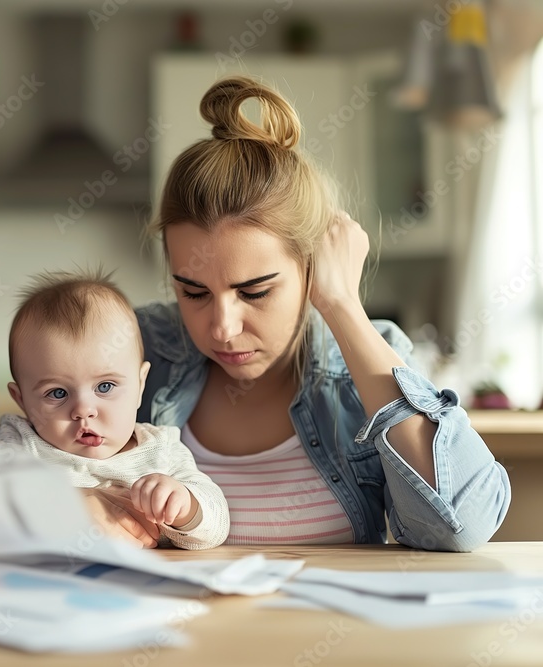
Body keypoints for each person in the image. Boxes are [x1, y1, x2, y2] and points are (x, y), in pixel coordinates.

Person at [132, 75, 511, 551]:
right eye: (193, 293)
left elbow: (464, 525)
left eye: (254, 292)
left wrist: (342, 305)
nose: (223, 328)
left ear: (312, 267)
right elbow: (29, 478)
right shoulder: (139, 347)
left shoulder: (365, 363)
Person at [0, 270, 229, 550]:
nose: (84, 410)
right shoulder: (20, 446)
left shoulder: (160, 450)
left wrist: (185, 505)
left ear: (140, 385)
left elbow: (217, 525)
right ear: (22, 401)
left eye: (104, 387)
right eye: (57, 393)